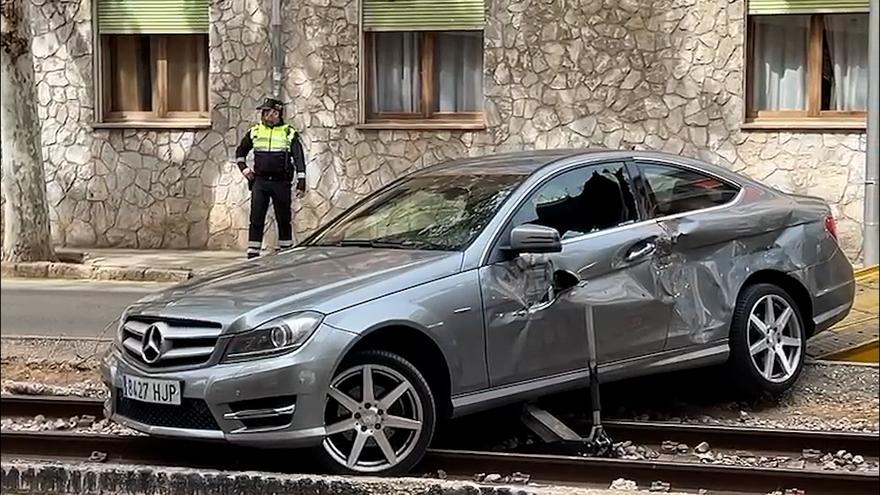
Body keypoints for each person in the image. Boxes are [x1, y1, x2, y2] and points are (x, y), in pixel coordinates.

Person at [234, 98, 306, 259]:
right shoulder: (255, 131)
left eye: (267, 112)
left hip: (281, 182)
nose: (264, 115)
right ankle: (253, 253)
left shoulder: (289, 132)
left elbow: (299, 158)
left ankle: (286, 252)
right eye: (264, 112)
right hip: (260, 181)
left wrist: (301, 182)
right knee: (256, 218)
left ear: (276, 113)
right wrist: (245, 170)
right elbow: (240, 153)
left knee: (283, 218)